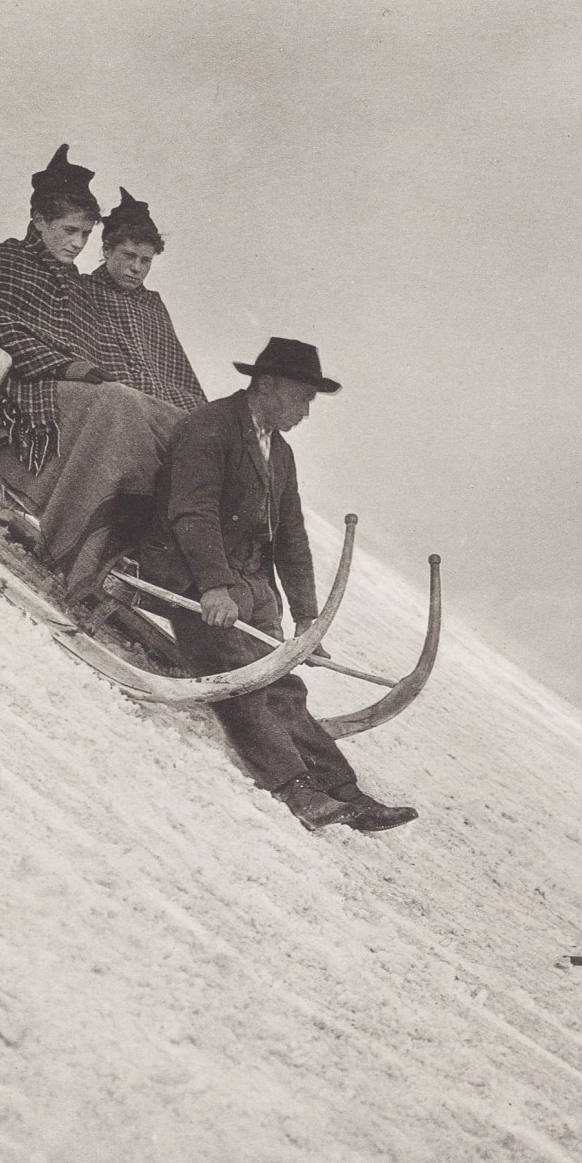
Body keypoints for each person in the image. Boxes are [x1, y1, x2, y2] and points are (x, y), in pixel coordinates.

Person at [132, 338, 417, 833]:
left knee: (282, 680)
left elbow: (290, 537)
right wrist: (215, 586)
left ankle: (343, 789)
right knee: (239, 675)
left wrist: (307, 618)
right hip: (188, 572)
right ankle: (293, 788)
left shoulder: (278, 452)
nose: (307, 411)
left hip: (244, 584)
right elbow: (192, 513)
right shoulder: (211, 427)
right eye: (301, 397)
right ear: (265, 386)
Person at [0, 145, 183, 607]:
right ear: (38, 221)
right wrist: (70, 367)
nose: (76, 244)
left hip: (57, 390)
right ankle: (79, 544)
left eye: (84, 233)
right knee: (119, 404)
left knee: (137, 412)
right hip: (13, 393)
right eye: (69, 231)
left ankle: (113, 542)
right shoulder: (9, 261)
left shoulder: (68, 282)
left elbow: (84, 343)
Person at [84, 189, 209, 414]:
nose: (137, 268)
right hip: (116, 402)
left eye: (146, 261)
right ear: (107, 250)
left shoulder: (153, 305)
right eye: (129, 255)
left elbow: (178, 372)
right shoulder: (83, 289)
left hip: (167, 402)